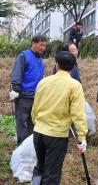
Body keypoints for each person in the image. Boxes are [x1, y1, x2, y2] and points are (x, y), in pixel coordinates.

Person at [31, 51, 88, 184]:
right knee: (52, 174)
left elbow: (35, 108)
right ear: (73, 67)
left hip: (38, 132)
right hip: (56, 135)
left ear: (56, 65)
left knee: (40, 168)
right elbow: (78, 114)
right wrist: (82, 137)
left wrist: (37, 124)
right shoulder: (74, 85)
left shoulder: (43, 82)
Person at [9, 35, 46, 145]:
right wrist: (15, 90)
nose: (43, 48)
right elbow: (17, 74)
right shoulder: (23, 56)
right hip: (24, 96)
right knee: (22, 122)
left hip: (36, 97)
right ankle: (21, 146)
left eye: (44, 46)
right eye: (41, 45)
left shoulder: (40, 59)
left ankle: (30, 146)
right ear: (33, 43)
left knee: (33, 123)